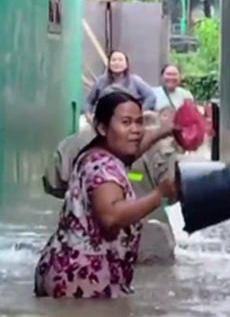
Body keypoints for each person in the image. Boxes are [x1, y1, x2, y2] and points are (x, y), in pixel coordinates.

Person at [35, 90, 179, 299]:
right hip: (82, 281)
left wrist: (166, 130)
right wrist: (159, 194)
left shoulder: (95, 154)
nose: (136, 130)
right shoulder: (103, 168)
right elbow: (111, 217)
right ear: (102, 128)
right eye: (126, 122)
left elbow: (134, 150)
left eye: (139, 122)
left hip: (64, 270)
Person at [85, 51, 157, 113]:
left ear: (126, 64)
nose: (117, 63)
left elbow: (151, 97)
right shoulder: (100, 81)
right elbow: (88, 101)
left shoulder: (135, 80)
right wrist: (89, 115)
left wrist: (139, 111)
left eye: (120, 60)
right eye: (114, 60)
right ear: (109, 64)